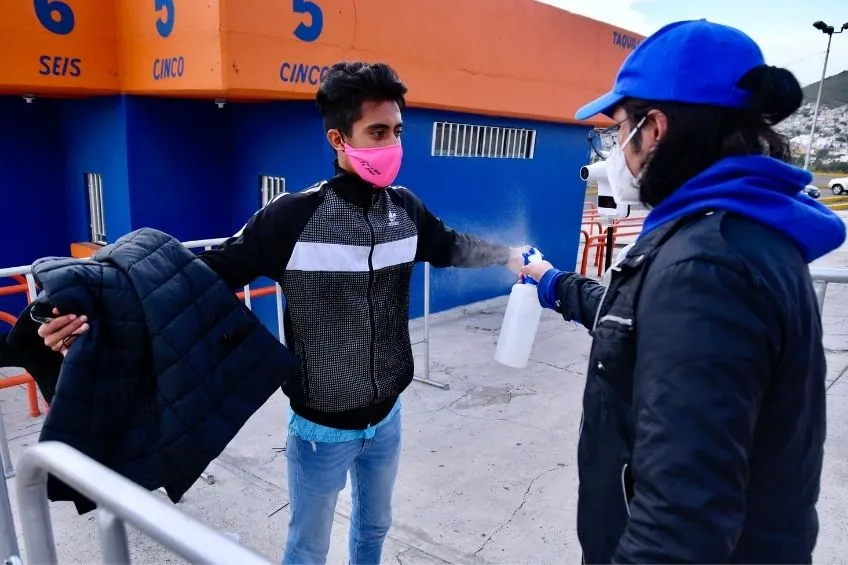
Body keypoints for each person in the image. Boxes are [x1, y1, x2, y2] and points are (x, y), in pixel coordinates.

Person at [37, 61, 529, 564]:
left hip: (388, 419)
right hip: (321, 431)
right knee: (308, 547)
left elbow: (450, 245)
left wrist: (510, 254)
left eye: (397, 132)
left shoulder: (406, 210)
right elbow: (197, 275)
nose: (391, 146)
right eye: (376, 132)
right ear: (339, 138)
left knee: (375, 526)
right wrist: (94, 315)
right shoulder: (294, 217)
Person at [521, 19, 846, 565]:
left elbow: (680, 528)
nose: (611, 150)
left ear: (655, 129)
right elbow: (644, 324)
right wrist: (551, 283)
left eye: (616, 129)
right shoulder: (737, 236)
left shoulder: (706, 267)